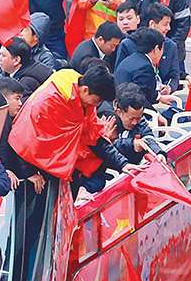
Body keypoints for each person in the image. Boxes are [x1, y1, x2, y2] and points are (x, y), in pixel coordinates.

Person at [8, 65, 139, 196]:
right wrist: (28, 172)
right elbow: (23, 136)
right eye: (96, 101)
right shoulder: (49, 101)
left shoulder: (83, 99)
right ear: (86, 90)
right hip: (36, 171)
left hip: (64, 166)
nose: (96, 106)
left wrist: (122, 164)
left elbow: (94, 137)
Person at [126, 0, 191, 71]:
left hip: (170, 53)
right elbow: (129, 17)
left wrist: (166, 48)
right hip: (143, 52)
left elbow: (182, 27)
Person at [115, 4, 180, 92]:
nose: (168, 28)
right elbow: (120, 76)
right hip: (135, 96)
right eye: (165, 24)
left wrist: (168, 88)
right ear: (152, 24)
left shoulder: (171, 46)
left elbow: (174, 75)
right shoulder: (128, 44)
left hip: (166, 97)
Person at [115, 28, 178, 109]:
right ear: (156, 49)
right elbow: (142, 99)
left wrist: (159, 97)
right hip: (132, 111)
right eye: (162, 49)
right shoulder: (144, 67)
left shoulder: (131, 59)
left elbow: (145, 91)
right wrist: (158, 116)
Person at [111, 83, 165, 165]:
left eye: (138, 118)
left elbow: (148, 135)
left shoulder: (139, 119)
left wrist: (158, 153)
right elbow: (106, 146)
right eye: (131, 118)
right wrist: (132, 144)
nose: (135, 122)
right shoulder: (107, 119)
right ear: (119, 112)